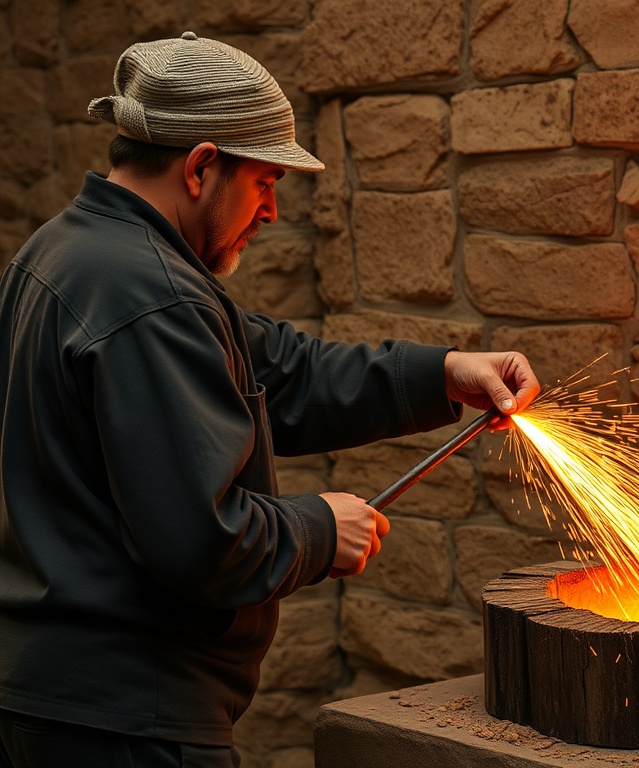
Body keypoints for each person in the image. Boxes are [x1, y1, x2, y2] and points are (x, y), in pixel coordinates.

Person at [0, 32, 539, 768]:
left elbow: (277, 371)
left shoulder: (67, 251)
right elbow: (199, 541)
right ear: (200, 168)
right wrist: (320, 529)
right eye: (264, 183)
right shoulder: (151, 296)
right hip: (126, 722)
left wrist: (441, 372)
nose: (273, 212)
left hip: (62, 701)